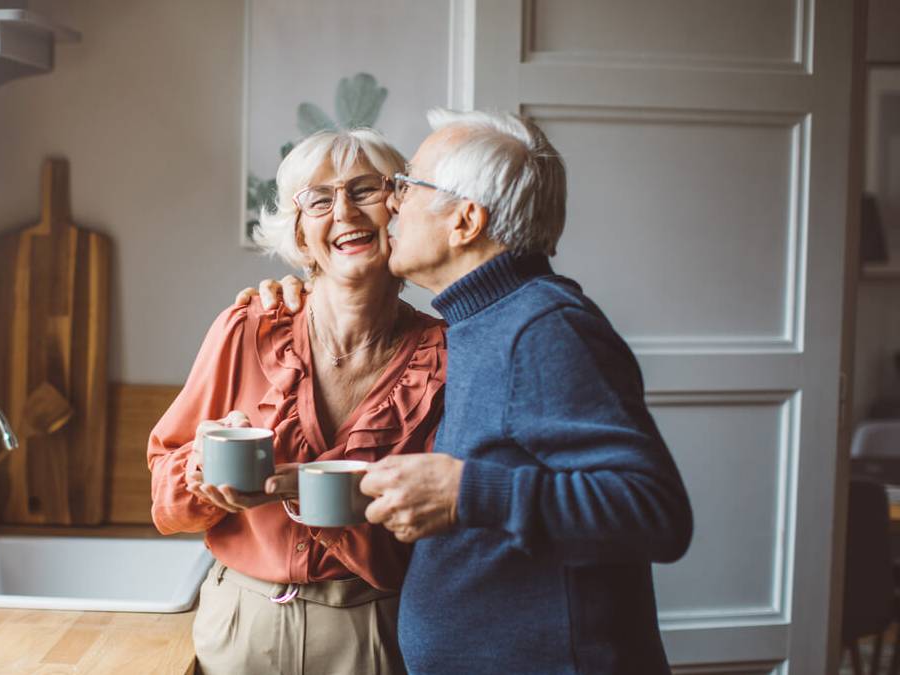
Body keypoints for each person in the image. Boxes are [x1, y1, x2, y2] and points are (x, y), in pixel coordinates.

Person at [248, 109, 693, 674]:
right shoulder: (484, 322)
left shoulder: (544, 328)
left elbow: (655, 513)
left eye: (408, 185)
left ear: (465, 222)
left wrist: (465, 494)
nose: (391, 203)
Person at [148, 127, 447, 674]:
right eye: (319, 199)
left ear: (399, 210)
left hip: (376, 630)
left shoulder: (445, 356)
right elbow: (165, 490)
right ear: (301, 234)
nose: (345, 213)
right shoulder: (247, 327)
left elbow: (449, 524)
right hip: (241, 624)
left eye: (365, 191)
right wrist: (200, 475)